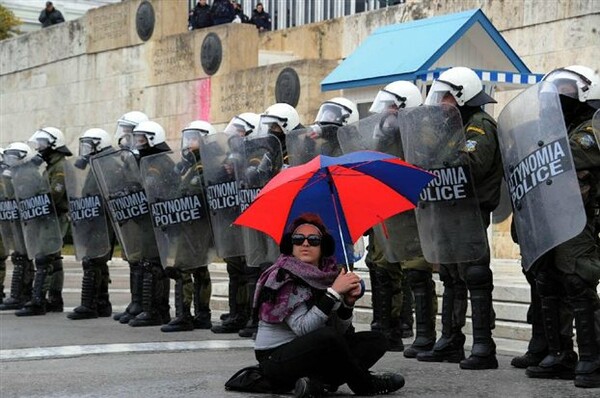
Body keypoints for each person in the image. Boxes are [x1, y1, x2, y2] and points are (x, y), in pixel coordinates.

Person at [252, 214, 405, 396]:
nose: (305, 244)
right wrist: (333, 294)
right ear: (290, 245)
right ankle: (365, 384)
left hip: (314, 353)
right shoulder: (283, 276)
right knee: (327, 336)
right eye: (298, 239)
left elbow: (338, 332)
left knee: (377, 340)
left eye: (314, 240)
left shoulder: (328, 275)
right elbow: (304, 329)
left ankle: (315, 383)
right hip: (277, 358)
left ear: (323, 246)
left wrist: (347, 304)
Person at [416, 67, 502, 370]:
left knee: (476, 275)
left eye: (447, 97)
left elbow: (472, 164)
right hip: (448, 210)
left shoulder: (479, 126)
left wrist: (440, 161)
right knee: (451, 276)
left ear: (463, 94)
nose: (441, 103)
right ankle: (450, 341)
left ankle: (483, 345)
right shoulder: (454, 128)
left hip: (470, 212)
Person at [524, 65, 600, 388]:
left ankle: (593, 359)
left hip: (580, 219)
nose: (557, 98)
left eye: (565, 92)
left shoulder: (590, 129)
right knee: (549, 281)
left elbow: (571, 156)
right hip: (552, 217)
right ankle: (560, 353)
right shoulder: (557, 129)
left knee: (579, 282)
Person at [159, 120, 216, 332]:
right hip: (191, 225)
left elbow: (193, 194)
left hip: (196, 226)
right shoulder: (192, 166)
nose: (188, 142)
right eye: (188, 137)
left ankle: (184, 316)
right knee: (200, 268)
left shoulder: (204, 167)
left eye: (193, 138)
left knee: (183, 267)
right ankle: (202, 316)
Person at [15, 128, 72, 316]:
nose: (39, 147)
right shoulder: (51, 166)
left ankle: (38, 300)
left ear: (53, 144)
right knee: (53, 259)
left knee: (44, 257)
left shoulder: (60, 167)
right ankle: (55, 299)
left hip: (54, 217)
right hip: (49, 216)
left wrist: (35, 198)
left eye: (42, 143)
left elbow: (55, 194)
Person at [66, 128, 116, 320]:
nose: (85, 149)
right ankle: (102, 303)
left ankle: (90, 305)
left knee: (93, 260)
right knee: (96, 261)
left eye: (89, 145)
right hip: (93, 217)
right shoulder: (96, 164)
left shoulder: (107, 164)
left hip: (101, 219)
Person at [110, 111, 149, 324]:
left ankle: (144, 303)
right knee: (133, 260)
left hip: (144, 217)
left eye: (128, 131)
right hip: (131, 213)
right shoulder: (128, 156)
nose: (124, 135)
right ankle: (136, 302)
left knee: (144, 261)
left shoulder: (144, 156)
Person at [0, 146, 35, 312]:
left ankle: (25, 295)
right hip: (13, 220)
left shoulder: (27, 174)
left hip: (25, 220)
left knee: (24, 257)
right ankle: (20, 295)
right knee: (19, 256)